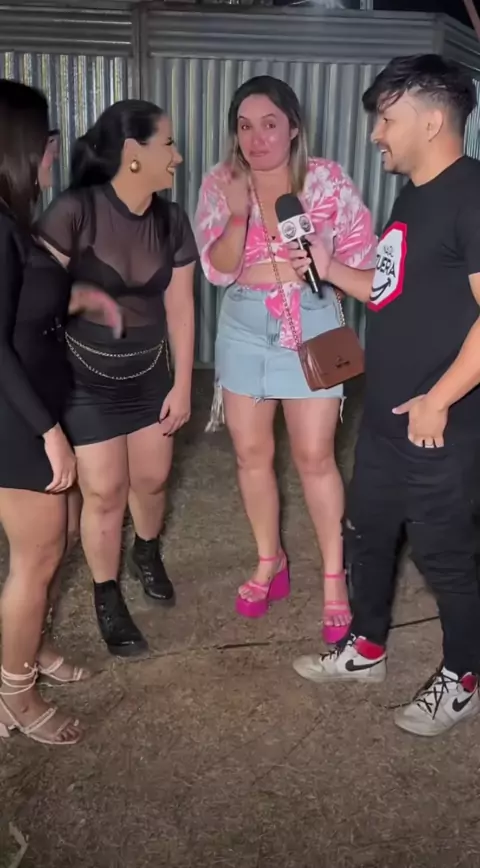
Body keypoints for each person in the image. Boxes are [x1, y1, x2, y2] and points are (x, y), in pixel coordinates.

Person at [290, 54, 480, 737]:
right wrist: (329, 265)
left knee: (445, 557)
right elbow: (387, 287)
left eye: (387, 118)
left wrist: (439, 399)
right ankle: (366, 647)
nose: (376, 133)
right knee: (369, 534)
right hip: (385, 417)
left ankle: (465, 677)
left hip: (440, 425)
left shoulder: (472, 195)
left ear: (431, 122)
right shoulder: (414, 196)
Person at [194, 76, 376, 641]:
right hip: (245, 324)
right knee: (251, 455)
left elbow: (363, 257)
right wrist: (237, 215)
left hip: (314, 319)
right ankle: (269, 560)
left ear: (293, 127)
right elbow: (217, 269)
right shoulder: (221, 182)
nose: (256, 138)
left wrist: (321, 277)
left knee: (315, 456)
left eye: (270, 124)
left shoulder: (326, 180)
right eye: (244, 126)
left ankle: (333, 576)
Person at [38, 100, 197, 658]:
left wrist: (183, 384)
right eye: (168, 144)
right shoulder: (74, 211)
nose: (178, 157)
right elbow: (36, 300)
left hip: (151, 374)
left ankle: (146, 550)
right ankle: (107, 595)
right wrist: (80, 298)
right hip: (84, 380)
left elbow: (182, 309)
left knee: (151, 481)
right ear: (133, 154)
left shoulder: (172, 221)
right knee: (104, 492)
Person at [0, 80, 119, 746]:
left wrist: (82, 300)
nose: (54, 149)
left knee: (62, 536)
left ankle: (32, 645)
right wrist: (47, 432)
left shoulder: (15, 220)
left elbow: (23, 308)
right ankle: (13, 693)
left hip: (41, 403)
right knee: (38, 556)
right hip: (19, 418)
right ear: (20, 145)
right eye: (47, 138)